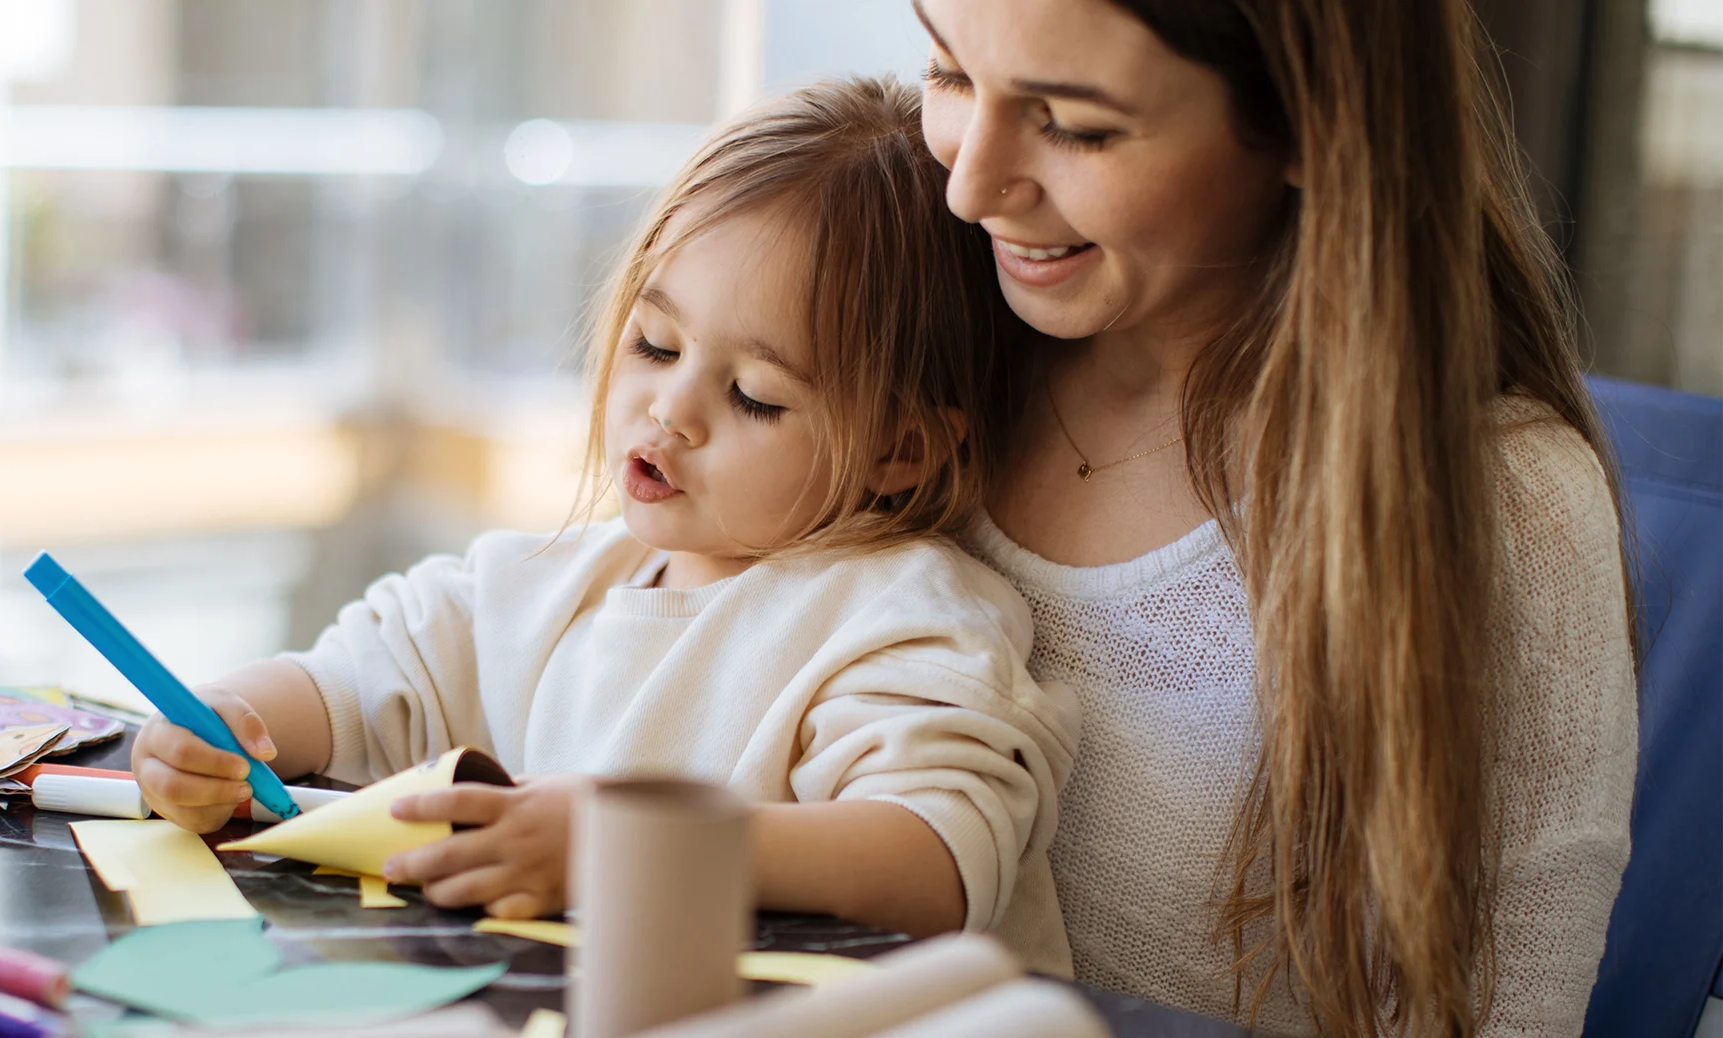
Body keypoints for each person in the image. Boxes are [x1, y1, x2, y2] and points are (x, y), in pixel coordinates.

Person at [131, 77, 1080, 973]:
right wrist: (220, 729)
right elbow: (348, 680)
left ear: (900, 451)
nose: (668, 410)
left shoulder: (900, 613)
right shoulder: (547, 582)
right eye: (654, 343)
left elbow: (931, 861)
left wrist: (622, 844)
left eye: (753, 397)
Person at [910, 0, 1637, 1034]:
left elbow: (1489, 1012)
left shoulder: (1495, 502)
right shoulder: (917, 348)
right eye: (948, 75)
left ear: (1308, 123)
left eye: (1077, 125)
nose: (969, 185)